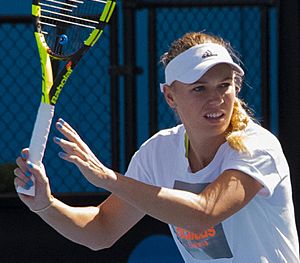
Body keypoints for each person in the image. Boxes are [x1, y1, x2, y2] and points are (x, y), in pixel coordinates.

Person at [15, 32, 299, 262]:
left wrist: (108, 178)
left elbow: (203, 213)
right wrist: (47, 205)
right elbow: (101, 229)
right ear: (170, 96)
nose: (216, 99)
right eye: (199, 88)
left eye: (224, 85)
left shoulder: (257, 147)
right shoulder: (158, 153)